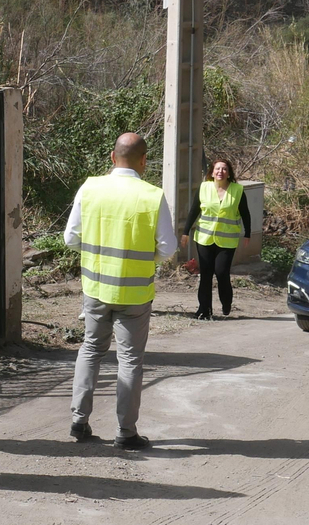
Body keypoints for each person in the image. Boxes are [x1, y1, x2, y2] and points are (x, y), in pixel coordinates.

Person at [64, 132, 176, 451]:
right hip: (135, 293)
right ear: (143, 161)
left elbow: (71, 238)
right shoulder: (152, 195)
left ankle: (78, 422)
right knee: (129, 360)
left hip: (96, 288)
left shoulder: (90, 187)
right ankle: (125, 432)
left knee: (90, 349)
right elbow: (167, 247)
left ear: (113, 158)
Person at [179, 156, 252, 320]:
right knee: (205, 274)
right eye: (217, 169)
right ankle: (204, 309)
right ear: (212, 172)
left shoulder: (237, 190)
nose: (221, 172)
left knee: (221, 272)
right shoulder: (204, 187)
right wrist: (185, 232)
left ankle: (226, 303)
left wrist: (248, 233)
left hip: (227, 240)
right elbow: (194, 211)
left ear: (229, 173)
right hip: (204, 237)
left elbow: (245, 214)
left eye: (224, 169)